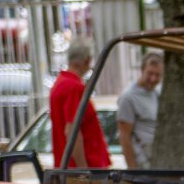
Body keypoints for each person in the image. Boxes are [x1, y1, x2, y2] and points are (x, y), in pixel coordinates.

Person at [49, 37, 110, 170]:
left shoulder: (60, 83)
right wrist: (83, 170)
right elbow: (72, 131)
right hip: (83, 168)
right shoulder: (74, 87)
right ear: (87, 60)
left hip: (68, 167)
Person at [117, 50, 162, 169]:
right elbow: (124, 137)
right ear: (142, 70)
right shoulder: (128, 97)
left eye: (157, 75)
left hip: (157, 161)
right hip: (142, 164)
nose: (153, 79)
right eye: (150, 73)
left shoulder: (156, 93)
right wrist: (133, 170)